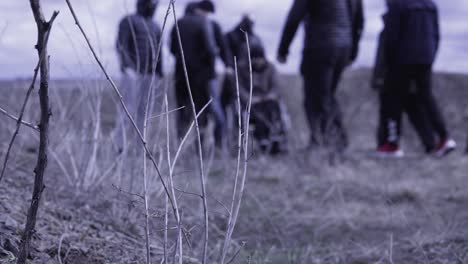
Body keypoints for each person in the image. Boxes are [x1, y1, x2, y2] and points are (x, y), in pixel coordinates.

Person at [277, 0, 364, 152]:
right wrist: (352, 51)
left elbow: (294, 18)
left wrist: (283, 50)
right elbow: (359, 21)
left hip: (319, 47)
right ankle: (335, 140)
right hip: (343, 48)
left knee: (316, 98)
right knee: (327, 95)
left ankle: (326, 142)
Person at [378, 0, 456, 157]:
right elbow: (436, 33)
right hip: (425, 57)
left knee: (393, 100)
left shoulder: (397, 5)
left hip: (402, 58)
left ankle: (392, 144)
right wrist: (431, 55)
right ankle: (444, 137)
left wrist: (387, 62)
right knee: (426, 96)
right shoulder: (430, 5)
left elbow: (391, 37)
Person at [373, 13, 437, 155]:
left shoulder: (390, 35)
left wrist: (378, 78)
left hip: (393, 80)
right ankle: (430, 144)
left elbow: (382, 58)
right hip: (405, 80)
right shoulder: (410, 37)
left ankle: (389, 144)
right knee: (414, 114)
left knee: (391, 114)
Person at [169, 0, 220, 144]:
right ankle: (199, 145)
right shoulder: (203, 23)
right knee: (201, 109)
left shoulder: (178, 23)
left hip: (180, 73)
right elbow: (210, 49)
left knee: (182, 108)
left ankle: (180, 143)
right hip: (200, 75)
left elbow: (172, 48)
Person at [115, 0, 163, 152]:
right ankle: (119, 146)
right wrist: (127, 67)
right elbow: (121, 45)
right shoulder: (128, 20)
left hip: (150, 74)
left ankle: (140, 147)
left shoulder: (155, 25)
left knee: (145, 110)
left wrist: (159, 72)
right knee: (127, 108)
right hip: (132, 73)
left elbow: (159, 49)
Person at [237, 45, 288, 155]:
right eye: (254, 59)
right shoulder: (242, 70)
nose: (257, 62)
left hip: (269, 100)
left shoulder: (271, 68)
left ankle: (276, 137)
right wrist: (250, 99)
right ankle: (263, 139)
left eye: (259, 59)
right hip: (252, 102)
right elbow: (240, 89)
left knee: (273, 110)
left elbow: (276, 86)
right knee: (257, 114)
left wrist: (270, 96)